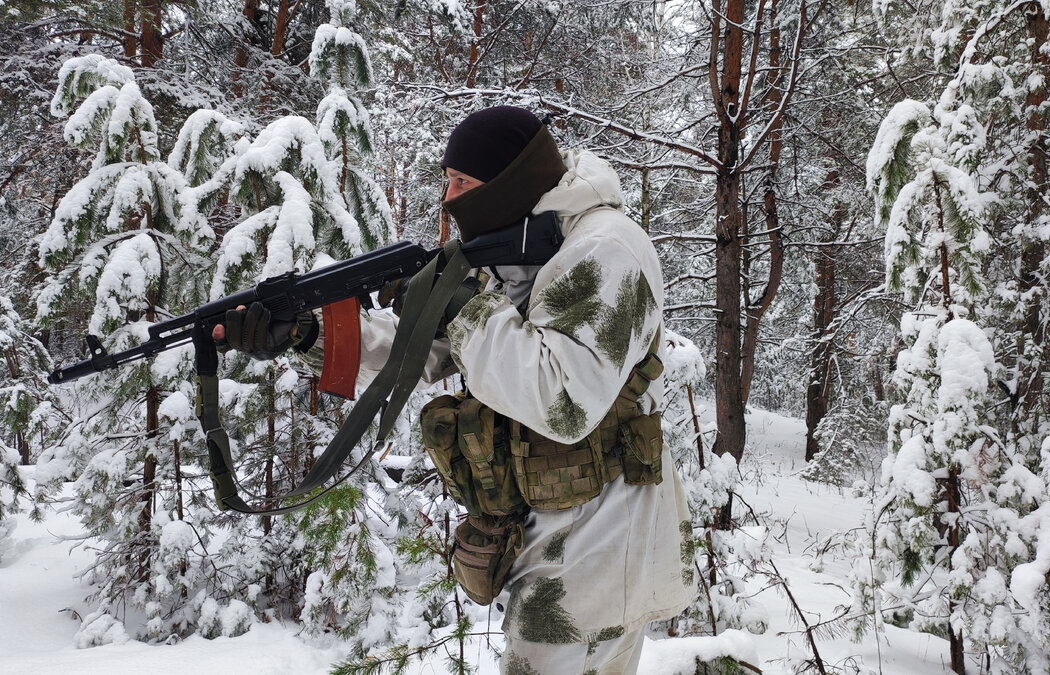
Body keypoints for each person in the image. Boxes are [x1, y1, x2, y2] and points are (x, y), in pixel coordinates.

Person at [218, 106, 695, 674]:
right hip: (556, 534)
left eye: (461, 182)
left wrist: (463, 306)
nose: (449, 198)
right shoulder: (517, 243)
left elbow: (562, 399)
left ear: (510, 179)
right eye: (447, 181)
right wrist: (309, 335)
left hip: (599, 548)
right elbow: (423, 354)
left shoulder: (604, 250)